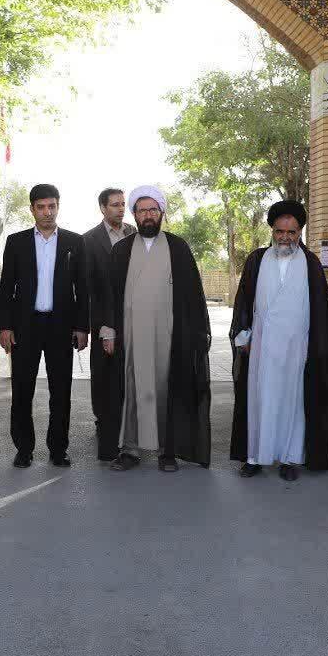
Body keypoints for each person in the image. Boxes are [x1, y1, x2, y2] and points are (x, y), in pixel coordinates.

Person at [100, 186, 211, 472]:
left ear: (161, 213)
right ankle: (129, 450)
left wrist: (198, 333)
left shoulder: (178, 247)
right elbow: (109, 294)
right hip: (131, 335)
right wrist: (108, 330)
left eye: (153, 210)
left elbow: (193, 295)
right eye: (142, 210)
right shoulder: (122, 250)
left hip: (169, 335)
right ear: (134, 215)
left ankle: (167, 450)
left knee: (167, 388)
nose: (148, 215)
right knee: (131, 388)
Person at [229, 201, 328, 480]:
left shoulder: (310, 263)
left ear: (299, 232)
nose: (285, 237)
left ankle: (290, 458)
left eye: (291, 232)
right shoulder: (256, 260)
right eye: (280, 231)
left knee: (293, 402)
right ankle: (255, 457)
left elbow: (322, 309)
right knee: (260, 400)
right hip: (262, 347)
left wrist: (319, 346)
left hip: (297, 348)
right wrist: (243, 336)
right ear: (272, 231)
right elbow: (244, 301)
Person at [0, 184, 89, 468]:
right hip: (25, 327)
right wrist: (5, 326)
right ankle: (24, 449)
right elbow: (6, 287)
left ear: (58, 206)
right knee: (21, 390)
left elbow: (82, 288)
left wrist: (82, 327)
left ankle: (58, 449)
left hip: (61, 327)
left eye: (52, 206)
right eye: (41, 207)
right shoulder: (16, 242)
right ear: (32, 209)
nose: (47, 212)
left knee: (60, 391)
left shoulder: (75, 242)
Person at [83, 188, 135, 461]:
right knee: (104, 375)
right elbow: (89, 288)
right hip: (104, 320)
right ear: (103, 208)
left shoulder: (135, 235)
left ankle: (130, 426)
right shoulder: (89, 240)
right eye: (115, 205)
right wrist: (103, 326)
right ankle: (104, 424)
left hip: (135, 318)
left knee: (130, 374)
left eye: (123, 204)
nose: (120, 209)